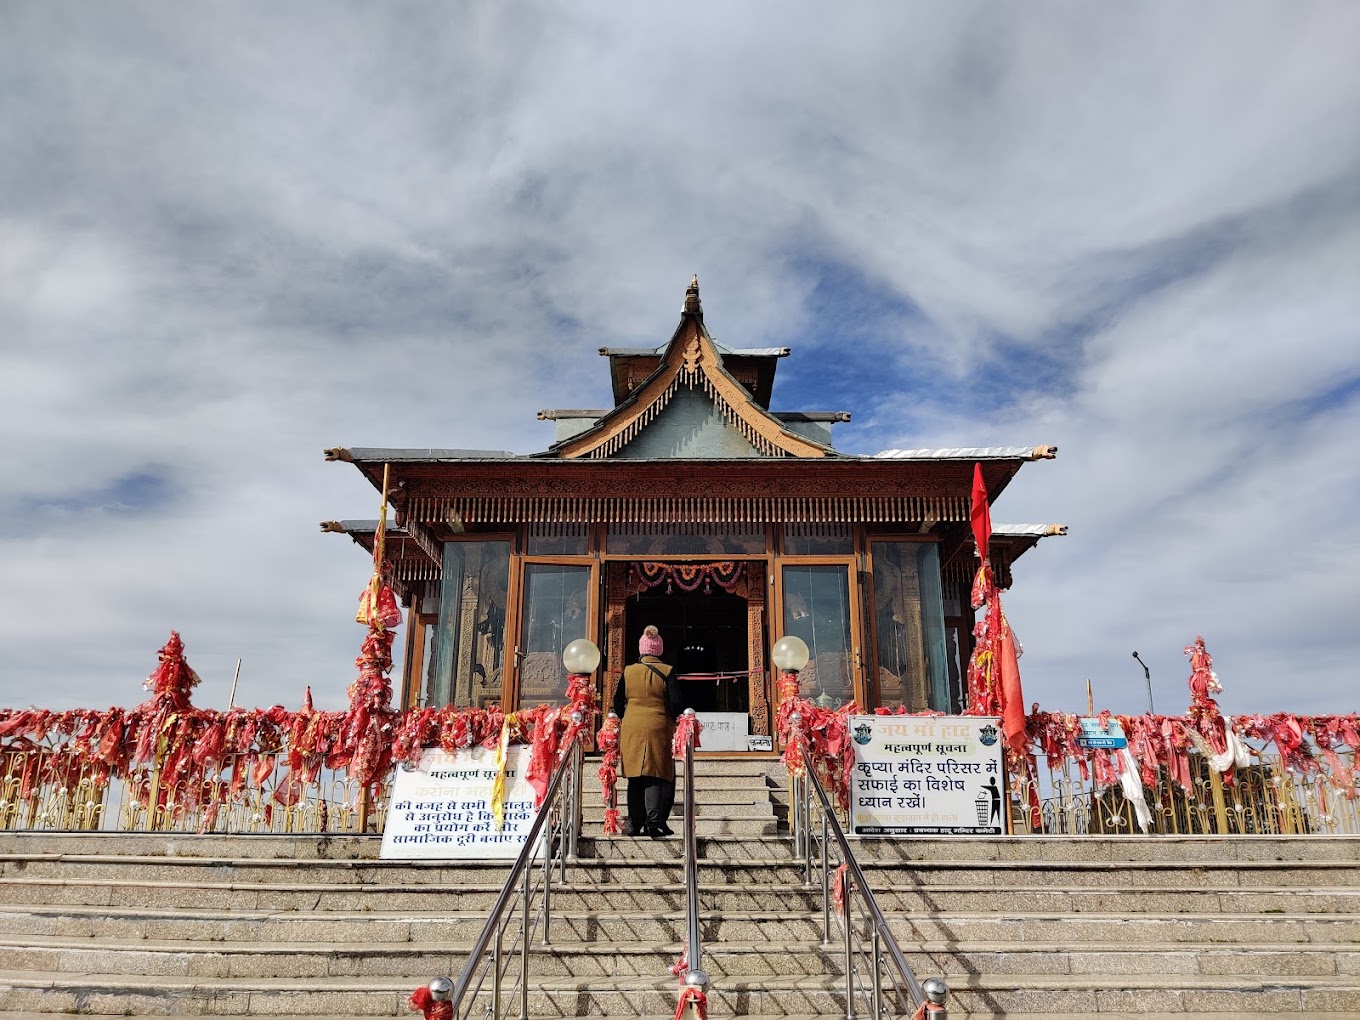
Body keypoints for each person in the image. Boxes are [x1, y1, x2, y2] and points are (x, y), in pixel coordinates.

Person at [613, 625, 684, 838]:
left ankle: (635, 824)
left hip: (632, 726)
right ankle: (654, 823)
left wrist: (628, 714)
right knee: (656, 774)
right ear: (659, 650)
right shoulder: (667, 671)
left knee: (635, 776)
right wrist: (670, 717)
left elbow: (617, 703)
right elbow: (677, 703)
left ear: (642, 649)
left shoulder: (628, 671)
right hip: (659, 726)